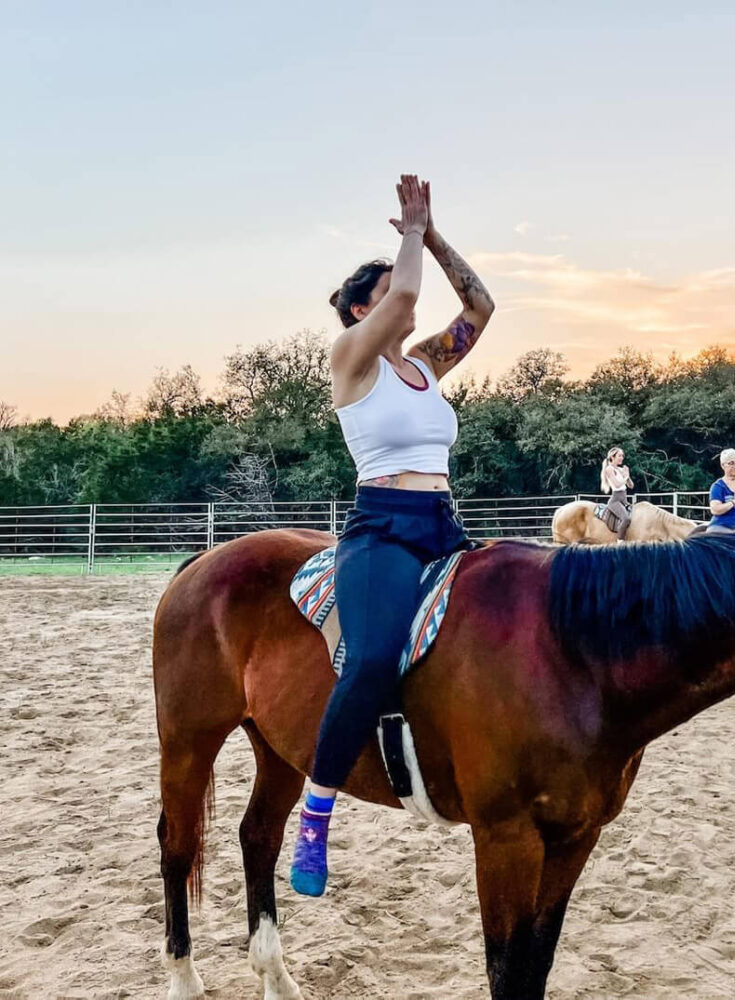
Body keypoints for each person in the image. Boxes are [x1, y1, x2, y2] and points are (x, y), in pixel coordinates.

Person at [289, 174, 495, 897]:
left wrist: (433, 237)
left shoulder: (425, 366)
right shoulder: (351, 359)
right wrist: (407, 230)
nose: (402, 298)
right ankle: (315, 813)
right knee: (373, 658)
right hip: (382, 529)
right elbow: (406, 297)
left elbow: (481, 306)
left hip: (443, 524)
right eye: (382, 290)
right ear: (357, 309)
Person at [600, 447, 634, 542]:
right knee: (626, 519)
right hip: (615, 500)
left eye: (622, 455)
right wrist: (625, 477)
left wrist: (627, 476)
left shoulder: (620, 469)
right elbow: (617, 484)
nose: (622, 457)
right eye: (619, 455)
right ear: (612, 457)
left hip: (624, 500)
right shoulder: (609, 469)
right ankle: (620, 541)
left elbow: (631, 486)